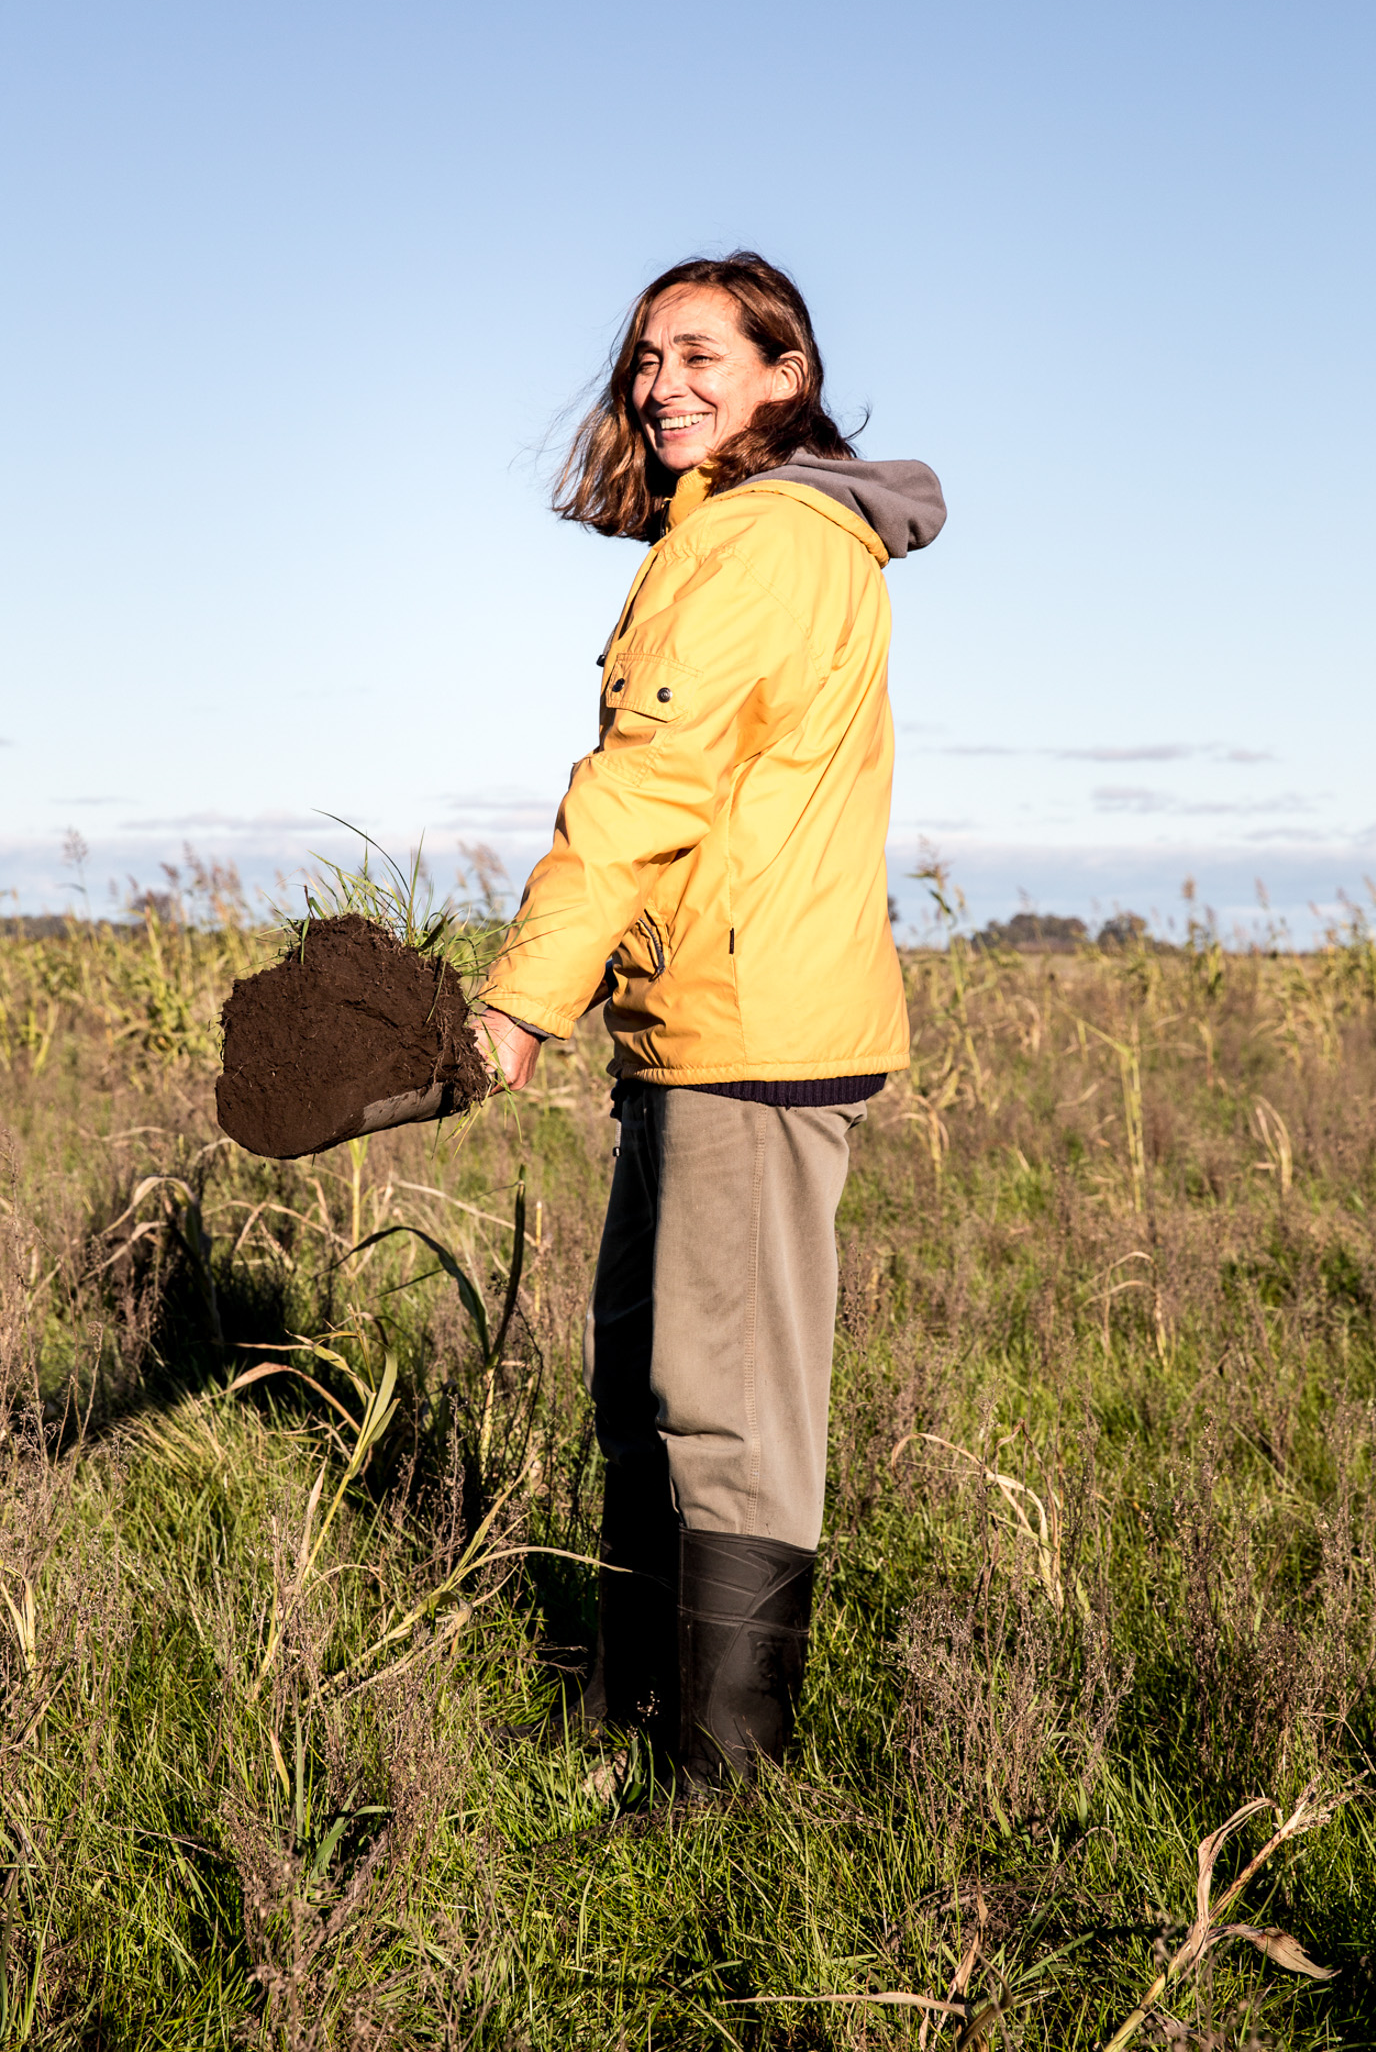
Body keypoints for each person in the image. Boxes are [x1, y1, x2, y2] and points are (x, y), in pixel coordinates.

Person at [474, 251, 945, 1785]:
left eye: (701, 356)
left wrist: (518, 1005)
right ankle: (626, 1716)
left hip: (755, 1033)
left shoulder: (758, 546)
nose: (661, 385)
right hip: (701, 1021)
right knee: (647, 1375)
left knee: (723, 1407)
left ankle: (723, 1793)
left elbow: (645, 789)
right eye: (645, 362)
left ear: (785, 372)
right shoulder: (737, 537)